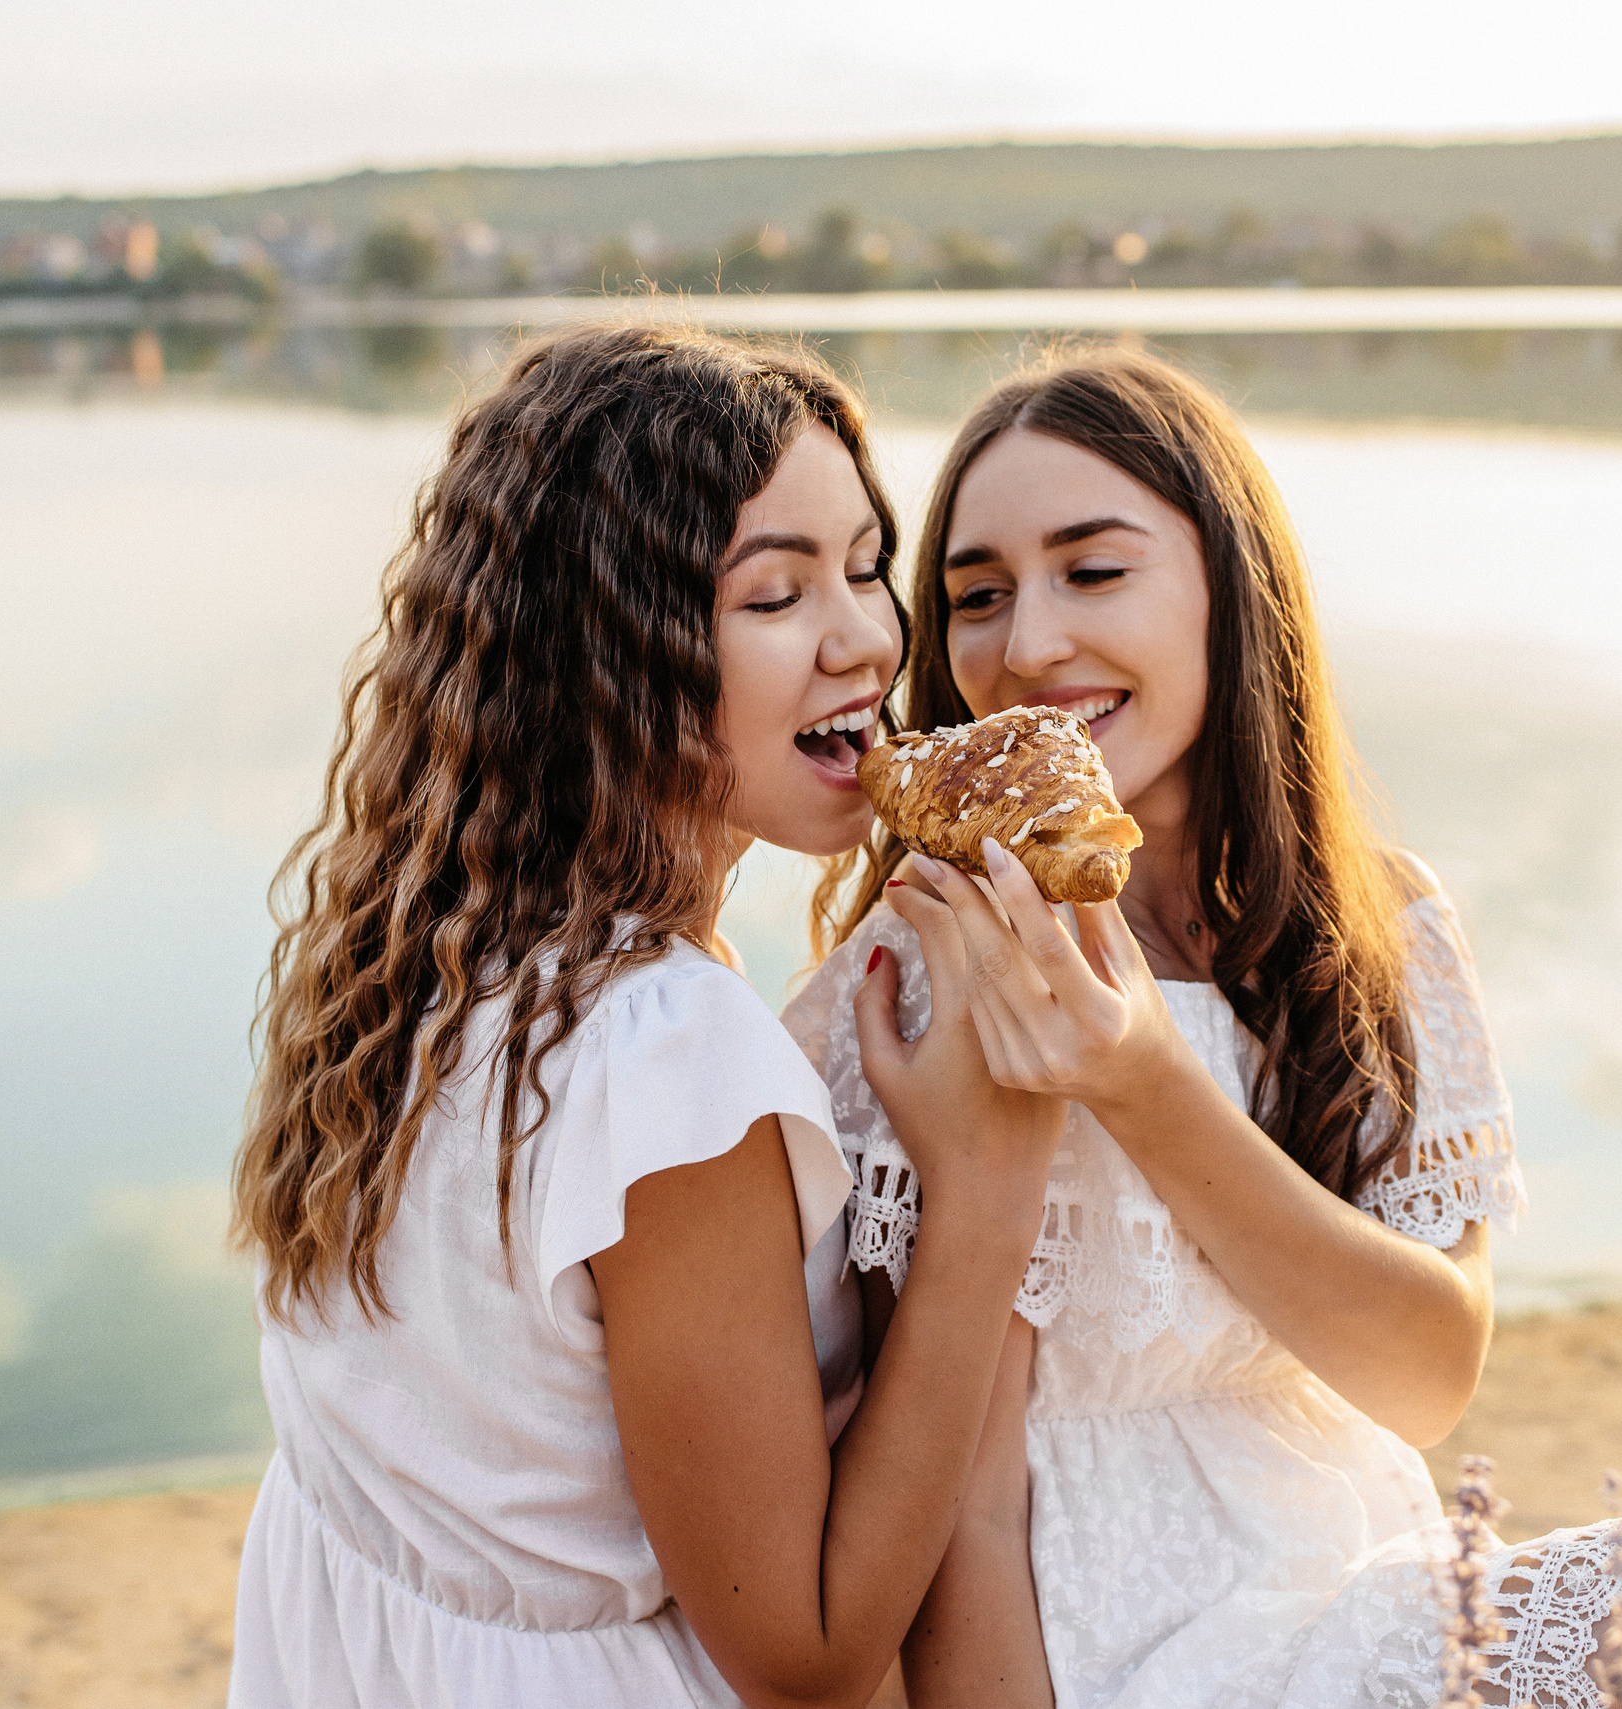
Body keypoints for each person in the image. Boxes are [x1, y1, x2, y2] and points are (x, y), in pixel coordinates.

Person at [783, 348, 1622, 1709]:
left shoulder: (1375, 928)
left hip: (1376, 1599)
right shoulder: (940, 969)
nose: (1026, 646)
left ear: (1229, 590)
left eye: (1092, 571)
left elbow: (1427, 1378)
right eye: (977, 595)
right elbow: (964, 1513)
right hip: (1122, 1665)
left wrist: (1146, 1083)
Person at [224, 323, 1066, 1709]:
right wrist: (987, 1191)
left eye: (866, 567)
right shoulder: (665, 1056)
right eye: (776, 594)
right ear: (610, 650)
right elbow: (802, 1656)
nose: (868, 638)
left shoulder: (424, 952)